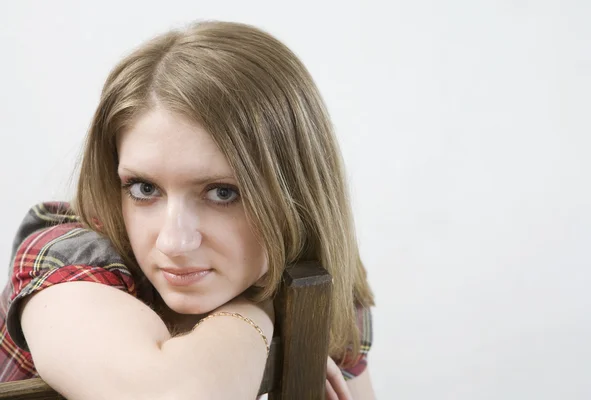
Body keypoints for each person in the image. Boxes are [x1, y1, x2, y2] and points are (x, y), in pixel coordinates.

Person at [0, 20, 375, 399]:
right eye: (144, 188)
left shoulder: (319, 279)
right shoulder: (65, 258)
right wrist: (258, 309)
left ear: (296, 194)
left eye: (223, 193)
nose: (173, 241)